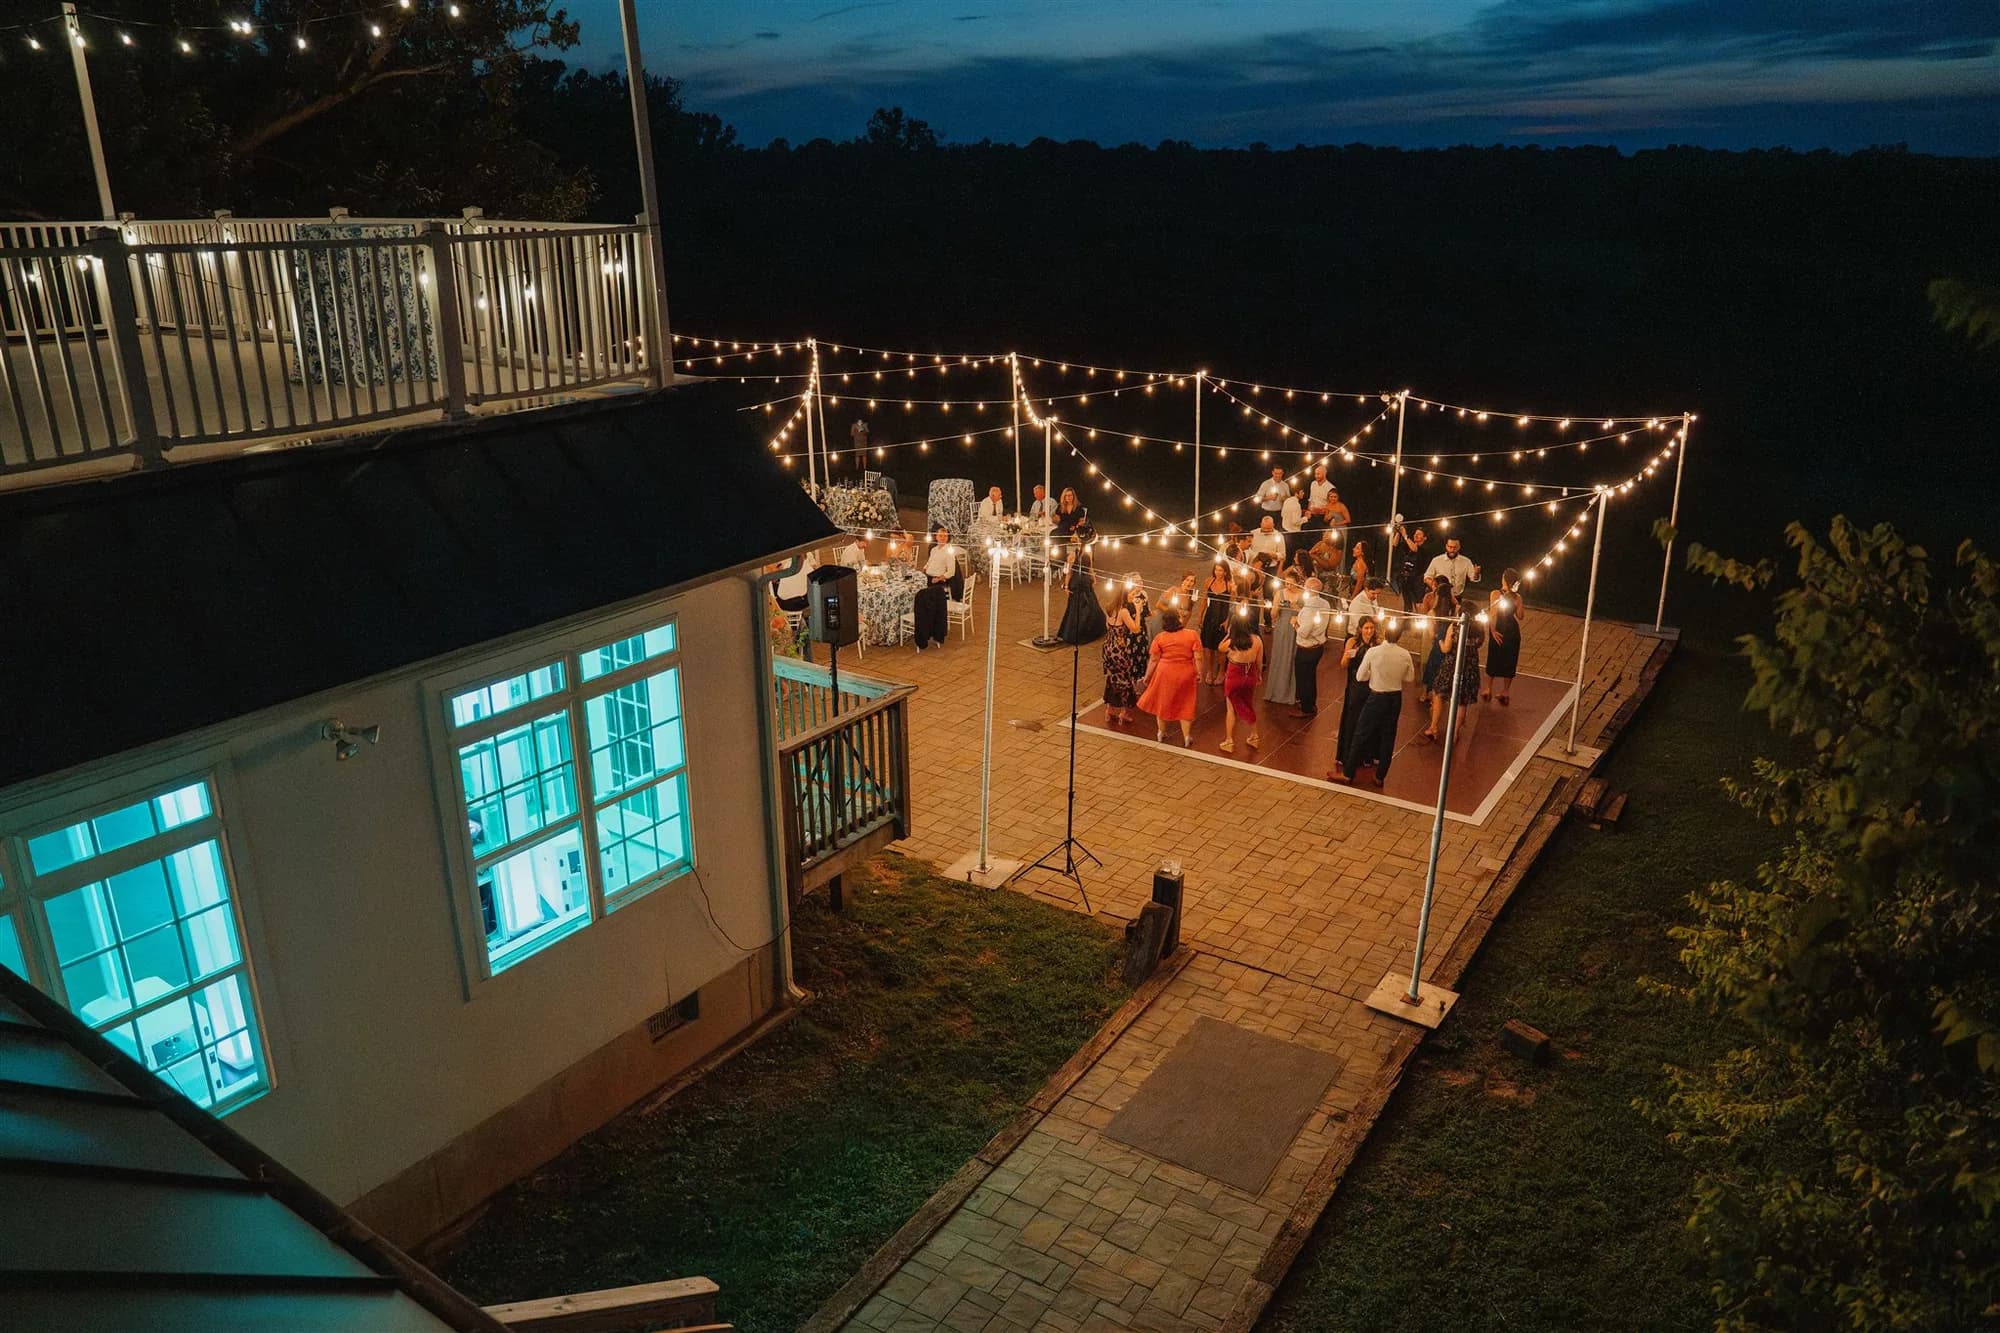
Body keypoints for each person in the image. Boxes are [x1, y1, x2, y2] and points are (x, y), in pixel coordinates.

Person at [1334, 621, 1417, 787]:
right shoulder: (1405, 654)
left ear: (1385, 632)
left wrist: (1375, 674)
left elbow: (1360, 677)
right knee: (1388, 736)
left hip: (1376, 696)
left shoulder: (1374, 651)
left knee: (1361, 733)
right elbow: (1410, 678)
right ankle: (1380, 776)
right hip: (1395, 698)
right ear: (1400, 636)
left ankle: (1348, 773)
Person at [1137, 605, 1200, 746]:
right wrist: (1199, 672)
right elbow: (1198, 657)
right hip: (1186, 671)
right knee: (1186, 702)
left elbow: (1153, 660)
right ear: (1178, 619)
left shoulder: (1160, 638)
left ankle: (1161, 732)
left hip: (1164, 672)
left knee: (1162, 701)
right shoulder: (1192, 634)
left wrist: (1147, 677)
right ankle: (1186, 736)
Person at [1330, 615, 1380, 780]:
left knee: (1369, 720)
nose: (1369, 631)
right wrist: (1350, 655)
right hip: (1355, 685)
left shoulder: (1377, 644)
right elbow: (1343, 664)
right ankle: (1348, 755)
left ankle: (1366, 754)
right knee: (1352, 718)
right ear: (1360, 629)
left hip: (1371, 685)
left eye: (1371, 628)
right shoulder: (1353, 642)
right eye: (1366, 628)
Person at [1424, 609, 1485, 744]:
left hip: (1452, 665)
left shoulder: (1456, 626)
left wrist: (1439, 642)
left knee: (1438, 693)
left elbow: (1446, 648)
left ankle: (1433, 727)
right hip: (1470, 668)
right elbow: (1479, 644)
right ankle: (1455, 733)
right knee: (1462, 702)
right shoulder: (1479, 628)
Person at [1102, 582, 1148, 723]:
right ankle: (1123, 712)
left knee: (1112, 678)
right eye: (1132, 594)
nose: (1134, 597)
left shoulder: (1110, 607)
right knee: (1126, 680)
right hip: (1120, 650)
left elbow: (1108, 626)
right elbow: (1135, 629)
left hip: (1108, 647)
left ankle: (1109, 709)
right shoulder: (1124, 611)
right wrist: (1138, 611)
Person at [1219, 620, 1264, 753]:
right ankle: (1254, 736)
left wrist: (1228, 634)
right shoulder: (1257, 640)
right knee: (1248, 704)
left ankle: (1229, 740)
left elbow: (1220, 647)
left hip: (1234, 674)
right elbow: (1259, 662)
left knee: (1231, 708)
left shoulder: (1231, 642)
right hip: (1250, 674)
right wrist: (1259, 675)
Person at [1056, 527, 1106, 645]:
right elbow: (1072, 572)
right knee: (1082, 608)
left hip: (1082, 583)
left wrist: (1093, 577)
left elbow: (1082, 570)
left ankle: (1083, 631)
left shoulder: (1075, 555)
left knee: (1086, 607)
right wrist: (1067, 586)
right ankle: (1079, 632)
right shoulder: (1079, 555)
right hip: (1080, 584)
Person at [912, 529, 960, 650]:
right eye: (940, 536)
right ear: (936, 537)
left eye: (945, 536)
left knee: (922, 595)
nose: (943, 538)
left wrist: (939, 578)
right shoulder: (933, 549)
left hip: (936, 582)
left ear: (947, 537)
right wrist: (924, 569)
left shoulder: (949, 552)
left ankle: (925, 623)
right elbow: (929, 563)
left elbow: (951, 572)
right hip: (927, 577)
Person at [1292, 577, 1332, 717]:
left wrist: (1295, 623)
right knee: (1311, 676)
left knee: (1304, 678)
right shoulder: (1325, 603)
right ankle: (1311, 703)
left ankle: (1306, 707)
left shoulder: (1310, 608)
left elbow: (1304, 632)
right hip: (1318, 646)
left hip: (1307, 648)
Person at [1263, 571, 1303, 708]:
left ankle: (1290, 693)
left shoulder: (1302, 595)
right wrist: (1278, 606)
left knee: (1291, 657)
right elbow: (1273, 615)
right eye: (1286, 582)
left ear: (1297, 582)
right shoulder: (1280, 593)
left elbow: (1305, 612)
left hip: (1295, 628)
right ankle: (1275, 691)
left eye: (1291, 583)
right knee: (1279, 656)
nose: (1288, 586)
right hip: (1281, 627)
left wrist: (1295, 607)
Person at [1485, 569, 1524, 705]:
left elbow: (1493, 614)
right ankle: (1505, 690)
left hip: (1500, 628)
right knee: (1510, 659)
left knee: (1493, 657)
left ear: (1505, 580)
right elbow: (1520, 616)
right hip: (1512, 631)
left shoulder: (1495, 594)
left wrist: (1492, 631)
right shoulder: (1517, 597)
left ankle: (1488, 688)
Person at [1196, 558, 1234, 684]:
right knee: (1208, 647)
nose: (1218, 572)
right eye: (1216, 570)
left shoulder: (1230, 585)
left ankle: (1221, 671)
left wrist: (1228, 620)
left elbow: (1232, 605)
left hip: (1222, 618)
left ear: (1225, 572)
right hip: (1210, 616)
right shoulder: (1209, 581)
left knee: (1220, 648)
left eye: (1221, 570)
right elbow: (1204, 601)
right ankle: (1210, 671)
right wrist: (1200, 616)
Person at [1420, 584, 1454, 704]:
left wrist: (1438, 639)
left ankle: (1425, 693)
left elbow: (1430, 634)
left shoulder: (1433, 613)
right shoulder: (1455, 611)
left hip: (1437, 645)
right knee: (1445, 670)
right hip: (1451, 646)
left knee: (1431, 668)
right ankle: (1440, 695)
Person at [1395, 523, 1431, 609]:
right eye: (1415, 534)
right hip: (1406, 579)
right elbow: (1395, 544)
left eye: (1419, 534)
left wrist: (1405, 535)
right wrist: (1398, 532)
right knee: (1407, 604)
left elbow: (1414, 549)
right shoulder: (1409, 546)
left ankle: (1419, 621)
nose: (1416, 535)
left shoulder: (1425, 548)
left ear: (1425, 538)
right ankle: (1407, 620)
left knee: (1418, 604)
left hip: (1418, 581)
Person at [1280, 487, 1307, 558]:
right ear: (1296, 493)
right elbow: (1295, 522)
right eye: (1301, 492)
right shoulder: (1296, 505)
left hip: (1285, 532)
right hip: (1294, 535)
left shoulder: (1287, 501)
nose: (1303, 493)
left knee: (1287, 554)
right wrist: (1306, 518)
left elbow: (1282, 514)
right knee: (1294, 556)